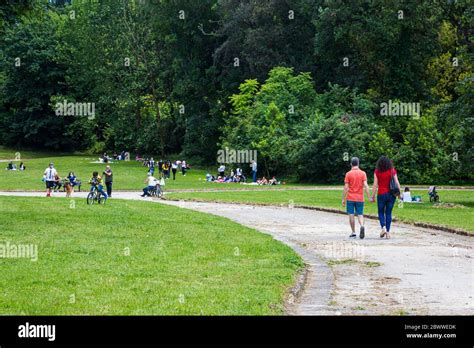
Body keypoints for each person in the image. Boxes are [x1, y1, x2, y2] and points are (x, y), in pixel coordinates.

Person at [371, 156, 401, 239]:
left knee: (380, 212)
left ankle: (383, 227)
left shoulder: (377, 171)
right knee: (388, 213)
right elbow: (397, 182)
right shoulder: (392, 170)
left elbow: (375, 184)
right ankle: (388, 232)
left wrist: (372, 196)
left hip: (381, 194)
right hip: (391, 195)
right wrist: (399, 194)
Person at [342, 157, 371, 239]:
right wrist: (369, 196)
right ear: (358, 163)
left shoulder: (348, 174)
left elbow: (346, 187)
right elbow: (365, 185)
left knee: (351, 214)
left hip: (350, 197)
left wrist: (343, 199)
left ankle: (353, 232)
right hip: (360, 198)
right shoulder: (363, 173)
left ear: (351, 164)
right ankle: (362, 225)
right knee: (360, 214)